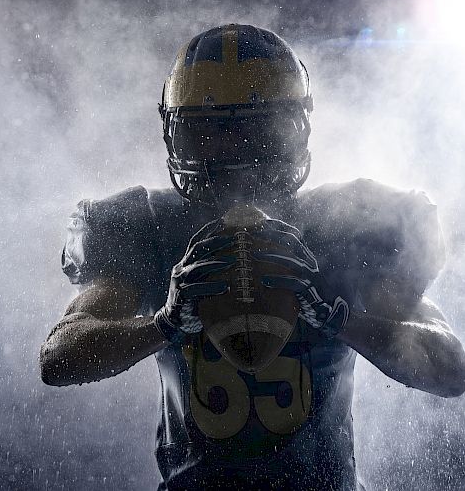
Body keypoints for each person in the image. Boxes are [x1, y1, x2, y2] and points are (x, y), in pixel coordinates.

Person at [40, 24, 465, 490]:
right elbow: (59, 358)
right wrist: (164, 323)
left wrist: (339, 320)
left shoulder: (344, 223)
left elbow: (451, 369)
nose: (235, 156)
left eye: (254, 131)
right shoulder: (150, 225)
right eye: (212, 133)